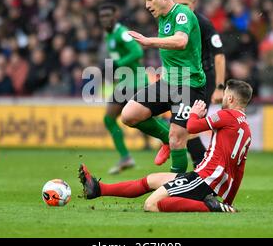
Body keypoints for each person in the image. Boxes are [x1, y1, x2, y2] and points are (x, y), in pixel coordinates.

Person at [79, 79, 253, 212]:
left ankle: (209, 207)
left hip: (204, 180)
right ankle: (98, 189)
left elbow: (191, 127)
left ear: (230, 98)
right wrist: (229, 202)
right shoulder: (246, 129)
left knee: (152, 204)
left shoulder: (226, 115)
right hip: (206, 179)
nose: (222, 98)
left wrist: (193, 113)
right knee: (151, 180)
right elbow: (240, 170)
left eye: (224, 96)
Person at [124, 0, 206, 173]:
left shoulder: (182, 14)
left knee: (178, 138)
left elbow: (181, 41)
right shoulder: (162, 17)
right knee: (128, 116)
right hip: (167, 83)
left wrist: (148, 41)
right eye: (145, 0)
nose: (147, 5)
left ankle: (175, 188)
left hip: (189, 84)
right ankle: (165, 141)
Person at [172, 0, 226, 168]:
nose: (183, 9)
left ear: (194, 4)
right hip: (182, 79)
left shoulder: (203, 23)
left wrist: (220, 86)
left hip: (202, 80)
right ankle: (202, 167)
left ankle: (202, 166)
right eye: (178, 5)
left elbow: (219, 54)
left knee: (189, 126)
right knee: (182, 126)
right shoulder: (171, 23)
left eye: (186, 4)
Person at [98, 3, 147, 174]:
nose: (105, 19)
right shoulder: (108, 36)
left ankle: (173, 137)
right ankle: (126, 157)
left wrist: (117, 64)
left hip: (136, 81)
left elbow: (138, 52)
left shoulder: (122, 33)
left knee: (139, 119)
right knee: (111, 119)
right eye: (102, 16)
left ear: (115, 16)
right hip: (125, 83)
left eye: (108, 16)